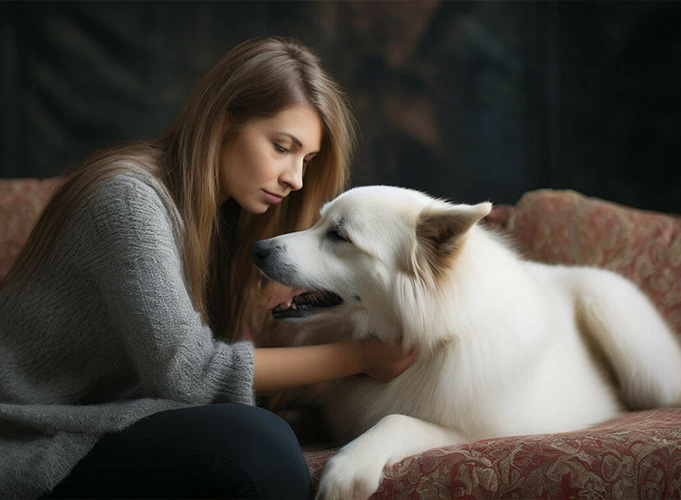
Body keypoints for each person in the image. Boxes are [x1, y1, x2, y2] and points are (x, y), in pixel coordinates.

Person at [0, 37, 418, 499]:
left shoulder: (227, 222)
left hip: (106, 425)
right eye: (282, 147)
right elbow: (190, 373)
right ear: (224, 120)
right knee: (259, 447)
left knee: (272, 431)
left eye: (307, 160)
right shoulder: (127, 199)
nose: (296, 178)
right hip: (27, 438)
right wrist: (361, 357)